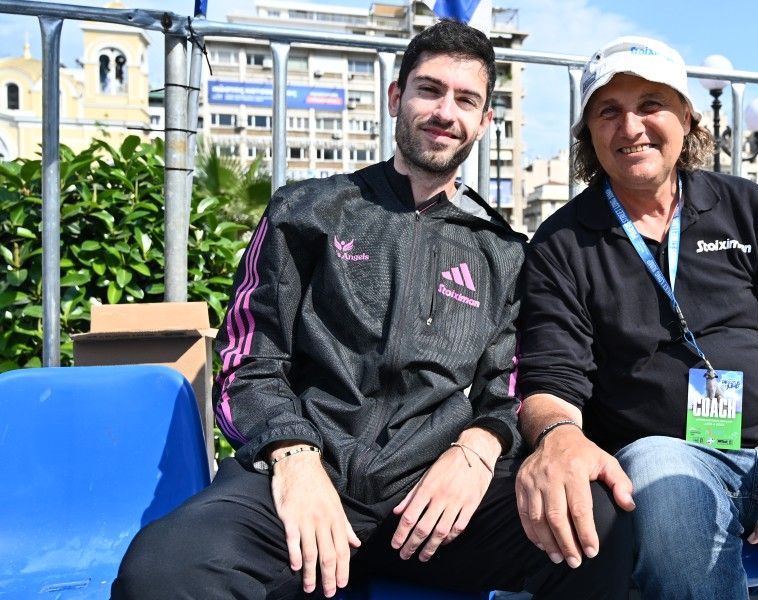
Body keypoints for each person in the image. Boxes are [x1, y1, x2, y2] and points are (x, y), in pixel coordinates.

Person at [113, 20, 631, 600]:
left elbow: (507, 388)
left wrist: (477, 449)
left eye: (466, 100)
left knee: (595, 525)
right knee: (161, 571)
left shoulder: (503, 252)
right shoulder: (306, 211)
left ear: (485, 122)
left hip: (432, 498)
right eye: (429, 90)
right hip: (303, 475)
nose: (444, 112)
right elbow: (246, 360)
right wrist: (295, 454)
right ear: (395, 97)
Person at [515, 36, 758, 600]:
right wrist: (556, 436)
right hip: (669, 460)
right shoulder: (560, 243)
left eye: (651, 105)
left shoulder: (745, 206)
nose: (630, 126)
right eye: (608, 111)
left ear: (688, 118)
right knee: (662, 480)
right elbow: (552, 382)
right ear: (588, 133)